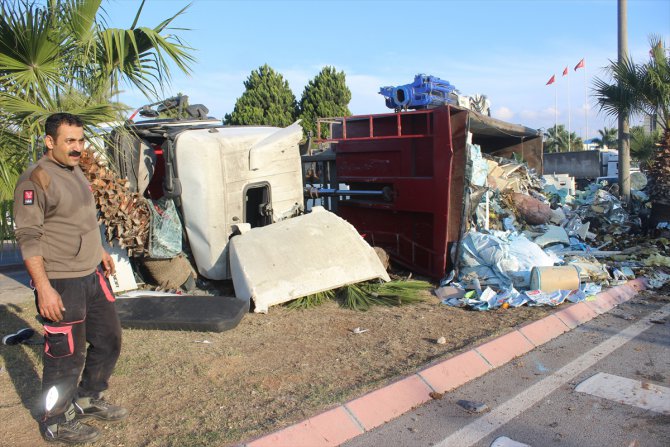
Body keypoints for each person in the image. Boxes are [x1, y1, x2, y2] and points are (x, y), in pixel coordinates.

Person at [13, 113, 127, 444]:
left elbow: (83, 221)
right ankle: (56, 420)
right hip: (61, 281)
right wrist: (45, 288)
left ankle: (88, 398)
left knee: (109, 340)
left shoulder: (75, 170)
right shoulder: (36, 180)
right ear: (50, 142)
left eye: (80, 140)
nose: (78, 148)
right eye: (70, 141)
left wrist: (101, 252)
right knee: (66, 355)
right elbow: (29, 237)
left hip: (92, 273)